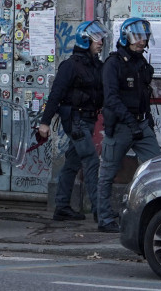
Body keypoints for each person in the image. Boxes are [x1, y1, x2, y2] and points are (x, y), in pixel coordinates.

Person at [95, 17, 161, 233]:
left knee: (158, 167)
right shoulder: (113, 64)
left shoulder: (140, 63)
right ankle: (104, 218)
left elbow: (143, 95)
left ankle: (156, 213)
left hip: (140, 124)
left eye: (144, 37)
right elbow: (111, 99)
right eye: (137, 37)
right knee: (107, 173)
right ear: (126, 38)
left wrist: (146, 120)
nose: (141, 42)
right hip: (122, 126)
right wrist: (131, 122)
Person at [37, 20, 106, 222]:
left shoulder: (97, 66)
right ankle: (100, 212)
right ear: (85, 40)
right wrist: (45, 122)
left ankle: (62, 206)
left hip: (87, 119)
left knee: (73, 162)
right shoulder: (70, 66)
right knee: (91, 161)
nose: (100, 42)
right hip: (75, 121)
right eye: (96, 39)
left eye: (101, 38)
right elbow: (56, 94)